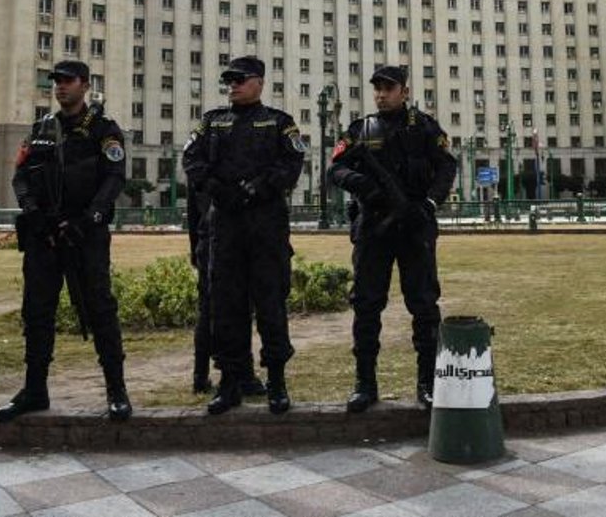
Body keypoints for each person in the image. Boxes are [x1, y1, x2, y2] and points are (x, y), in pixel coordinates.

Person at [0, 60, 131, 422]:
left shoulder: (104, 129)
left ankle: (116, 390)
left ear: (85, 85)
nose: (60, 87)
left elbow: (114, 178)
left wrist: (89, 219)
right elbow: (20, 177)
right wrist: (33, 213)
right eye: (56, 81)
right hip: (44, 236)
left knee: (100, 309)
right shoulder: (41, 129)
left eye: (68, 81)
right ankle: (34, 389)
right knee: (37, 312)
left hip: (85, 235)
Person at [328, 65, 457, 412]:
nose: (381, 94)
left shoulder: (426, 128)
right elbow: (336, 167)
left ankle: (427, 383)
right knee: (367, 306)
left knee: (424, 305)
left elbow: (447, 166)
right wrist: (363, 185)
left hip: (414, 226)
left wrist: (430, 202)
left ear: (404, 90)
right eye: (377, 89)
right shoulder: (361, 130)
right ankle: (365, 384)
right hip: (374, 228)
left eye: (389, 88)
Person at [182, 56, 305, 415]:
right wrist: (217, 189)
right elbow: (192, 160)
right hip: (226, 228)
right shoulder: (212, 122)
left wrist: (255, 189)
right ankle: (230, 381)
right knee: (225, 308)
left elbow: (291, 166)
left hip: (265, 227)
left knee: (270, 306)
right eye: (229, 80)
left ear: (259, 82)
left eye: (240, 79)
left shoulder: (280, 123)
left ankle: (277, 382)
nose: (232, 85)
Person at [186, 186, 265, 398]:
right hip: (232, 237)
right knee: (239, 308)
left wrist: (194, 246)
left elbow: (193, 208)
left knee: (207, 309)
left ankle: (200, 375)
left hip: (207, 237)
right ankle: (243, 374)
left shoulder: (199, 156)